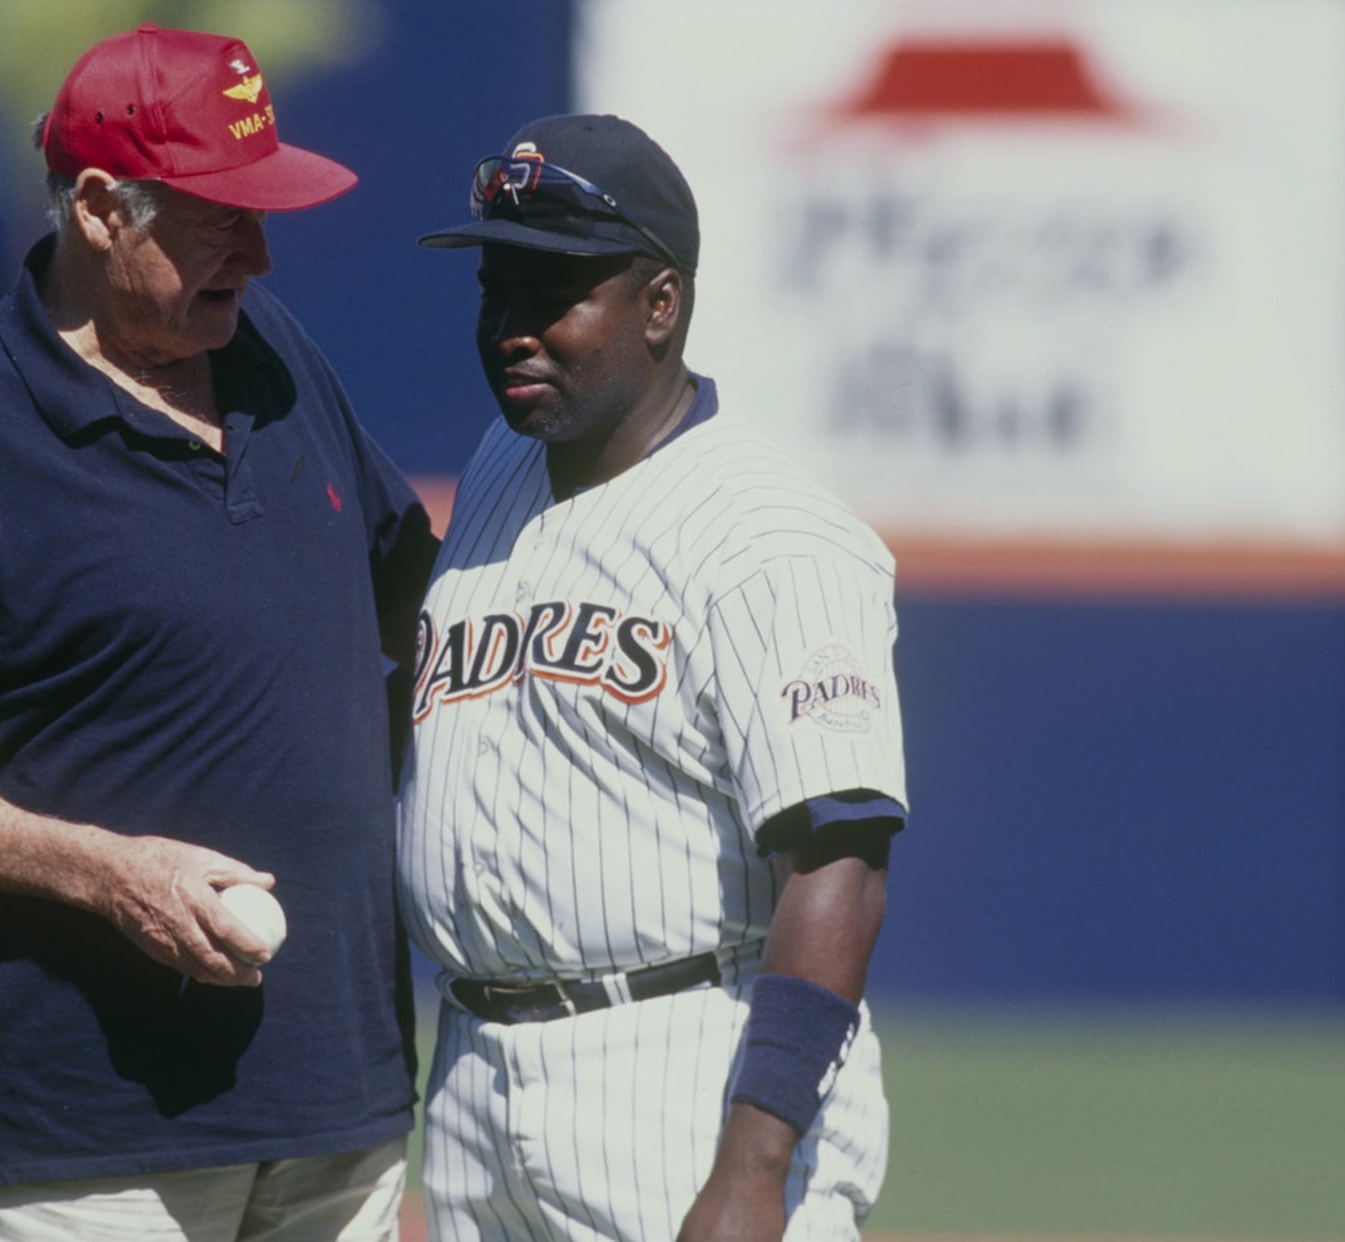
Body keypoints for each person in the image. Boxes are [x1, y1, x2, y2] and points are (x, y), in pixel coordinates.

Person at [0, 23, 438, 1241]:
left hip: (337, 1106)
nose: (257, 252)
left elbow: (413, 597)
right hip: (84, 1144)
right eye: (221, 215)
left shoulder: (277, 357)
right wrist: (107, 872)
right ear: (101, 208)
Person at [398, 114, 909, 1241]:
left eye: (556, 295)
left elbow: (840, 868)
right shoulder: (497, 470)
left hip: (679, 1073)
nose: (513, 331)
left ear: (661, 304)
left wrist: (752, 1168)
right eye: (498, 292)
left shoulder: (772, 537)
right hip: (480, 1074)